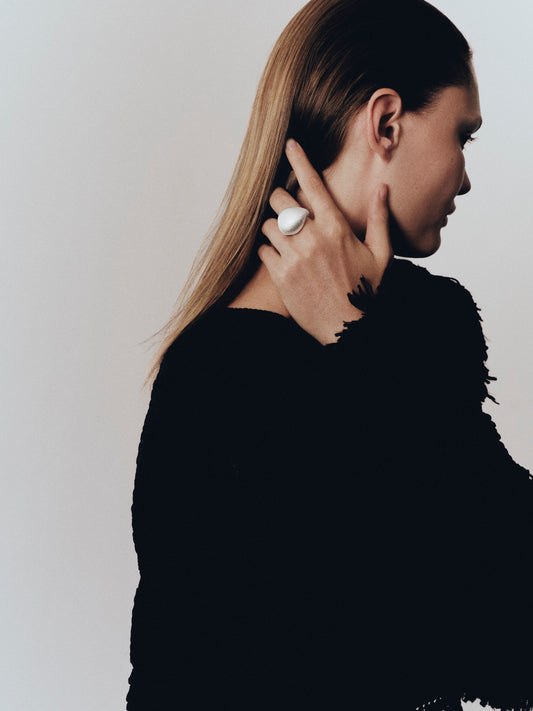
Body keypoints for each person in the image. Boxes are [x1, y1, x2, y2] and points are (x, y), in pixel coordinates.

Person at [127, 0, 533, 709]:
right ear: (386, 122)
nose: (466, 177)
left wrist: (359, 336)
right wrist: (364, 348)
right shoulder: (217, 382)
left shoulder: (427, 325)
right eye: (462, 135)